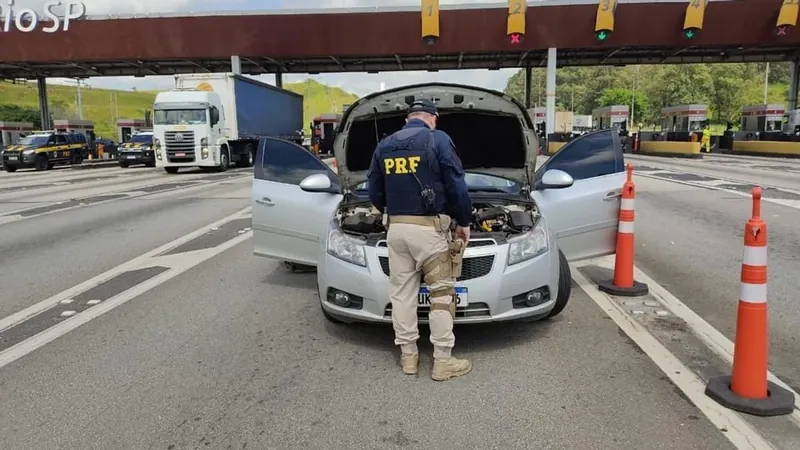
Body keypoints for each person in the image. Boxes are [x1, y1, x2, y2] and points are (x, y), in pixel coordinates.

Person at [367, 99, 473, 381]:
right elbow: (456, 185)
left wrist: (393, 210)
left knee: (402, 294)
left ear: (407, 118)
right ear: (433, 118)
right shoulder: (438, 140)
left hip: (396, 230)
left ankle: (408, 358)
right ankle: (442, 361)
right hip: (430, 231)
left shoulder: (385, 145)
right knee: (441, 295)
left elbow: (373, 190)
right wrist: (464, 222)